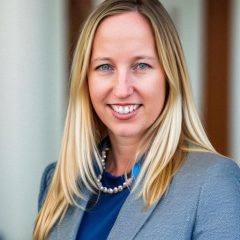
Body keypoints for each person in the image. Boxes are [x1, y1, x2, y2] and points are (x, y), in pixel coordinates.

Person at [33, 0, 240, 239]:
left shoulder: (213, 182)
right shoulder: (58, 182)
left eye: (141, 65)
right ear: (85, 80)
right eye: (105, 67)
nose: (122, 89)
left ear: (170, 77)